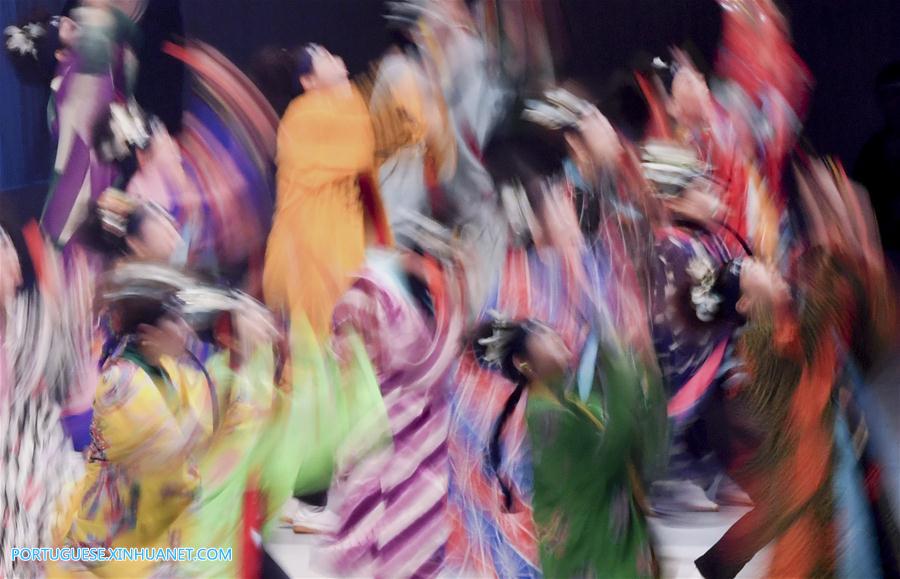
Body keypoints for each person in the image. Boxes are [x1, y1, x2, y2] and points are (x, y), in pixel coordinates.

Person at [262, 42, 453, 338]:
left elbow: (383, 150)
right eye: (323, 57)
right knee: (331, 352)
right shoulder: (303, 115)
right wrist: (407, 91)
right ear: (308, 82)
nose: (336, 56)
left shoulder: (350, 110)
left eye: (330, 52)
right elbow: (374, 139)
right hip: (313, 257)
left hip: (347, 252)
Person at [52, 264, 215, 577]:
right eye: (176, 321)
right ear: (149, 334)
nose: (186, 330)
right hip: (112, 549)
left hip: (151, 541)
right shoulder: (120, 382)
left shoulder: (169, 371)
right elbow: (169, 458)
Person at [471, 316, 662, 578]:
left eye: (552, 331)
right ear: (523, 363)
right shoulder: (546, 416)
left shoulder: (565, 399)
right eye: (544, 336)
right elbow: (613, 449)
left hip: (602, 539)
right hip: (590, 548)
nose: (556, 336)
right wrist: (619, 367)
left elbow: (628, 428)